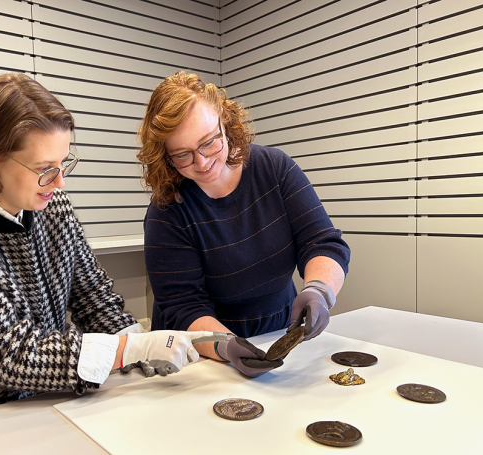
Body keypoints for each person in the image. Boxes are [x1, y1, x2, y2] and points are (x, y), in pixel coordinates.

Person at [0, 73, 214, 430]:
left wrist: (139, 345)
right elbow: (8, 354)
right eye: (45, 169)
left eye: (64, 163)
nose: (60, 183)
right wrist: (129, 351)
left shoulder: (52, 207)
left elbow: (94, 299)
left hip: (43, 399)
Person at [137, 71, 351, 378]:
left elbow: (322, 241)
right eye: (182, 155)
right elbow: (183, 307)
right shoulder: (167, 211)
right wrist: (226, 346)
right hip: (200, 357)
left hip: (276, 332)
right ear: (165, 157)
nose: (202, 162)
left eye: (209, 142)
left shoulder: (275, 170)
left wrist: (319, 290)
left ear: (224, 121)